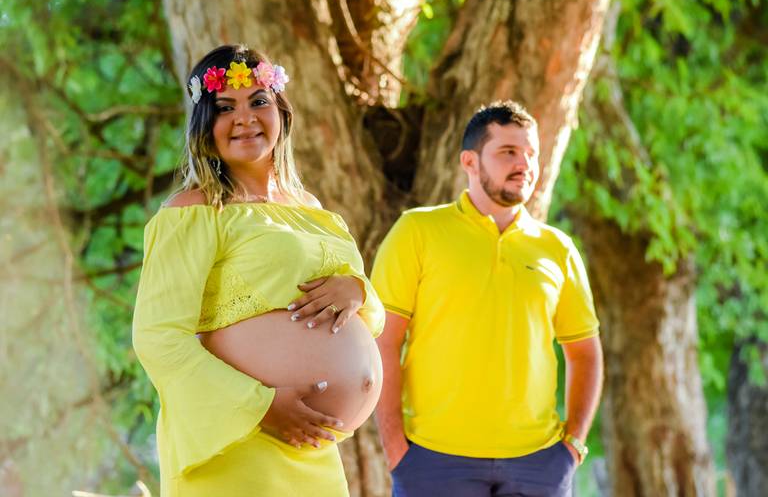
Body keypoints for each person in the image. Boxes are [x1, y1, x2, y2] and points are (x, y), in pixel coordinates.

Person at [132, 44, 385, 497]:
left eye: (258, 101)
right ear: (205, 126)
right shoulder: (194, 211)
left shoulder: (313, 210)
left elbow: (369, 321)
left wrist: (358, 290)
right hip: (239, 442)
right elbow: (158, 337)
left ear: (280, 111)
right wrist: (260, 406)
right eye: (225, 107)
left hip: (314, 451)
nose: (244, 118)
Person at [371, 100, 604, 497]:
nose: (524, 164)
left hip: (540, 465)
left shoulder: (557, 249)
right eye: (508, 151)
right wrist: (397, 449)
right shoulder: (417, 232)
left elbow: (584, 353)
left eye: (530, 153)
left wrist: (573, 447)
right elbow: (383, 342)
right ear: (470, 161)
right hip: (434, 461)